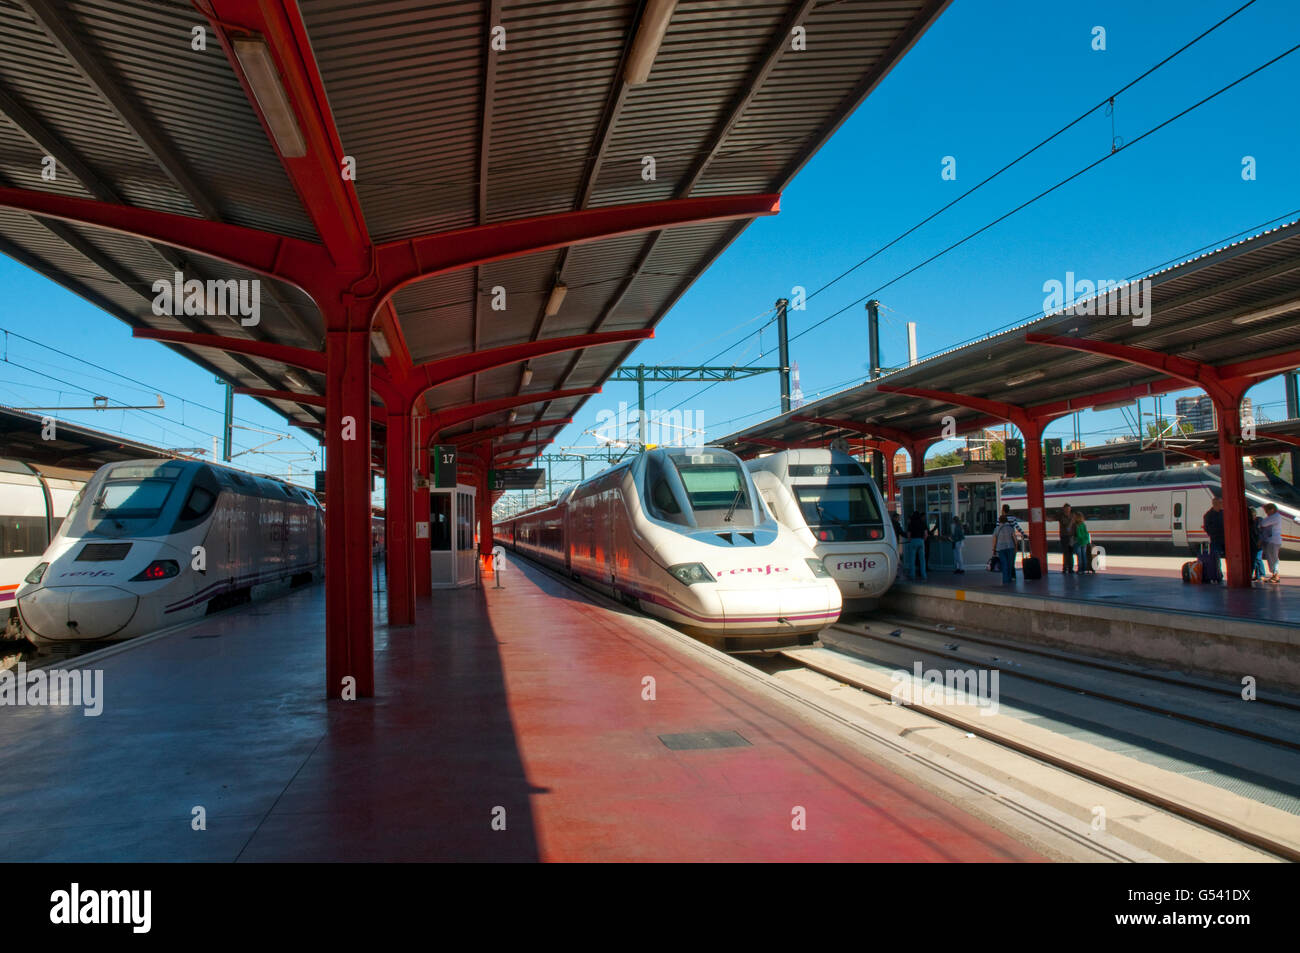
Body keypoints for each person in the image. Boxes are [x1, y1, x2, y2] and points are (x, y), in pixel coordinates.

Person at [1202, 496, 1225, 582]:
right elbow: (1207, 528)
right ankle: (1218, 575)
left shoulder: (1224, 513)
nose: (1222, 505)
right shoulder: (1208, 515)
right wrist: (1214, 533)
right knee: (1216, 558)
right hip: (1216, 539)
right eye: (1221, 503)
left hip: (1226, 539)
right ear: (1215, 504)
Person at [1260, 503, 1283, 584]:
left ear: (1272, 510)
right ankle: (1274, 574)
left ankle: (1275, 575)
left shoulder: (1275, 517)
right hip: (1273, 541)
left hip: (1273, 541)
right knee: (1273, 558)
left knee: (1272, 558)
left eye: (1267, 511)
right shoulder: (1275, 516)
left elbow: (1263, 523)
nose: (1266, 513)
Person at [992, 514, 1018, 584]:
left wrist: (993, 549)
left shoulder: (996, 529)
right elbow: (1015, 539)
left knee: (1004, 564)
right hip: (1010, 548)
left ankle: (1005, 580)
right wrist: (1016, 547)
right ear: (1006, 520)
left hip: (1001, 548)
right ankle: (1009, 579)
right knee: (1010, 564)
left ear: (999, 521)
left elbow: (994, 540)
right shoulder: (1010, 528)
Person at [906, 510, 928, 581]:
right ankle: (924, 575)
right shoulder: (922, 523)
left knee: (912, 559)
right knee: (922, 560)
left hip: (913, 541)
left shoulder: (911, 523)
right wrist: (923, 540)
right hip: (921, 541)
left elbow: (908, 534)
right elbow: (926, 534)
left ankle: (912, 575)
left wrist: (909, 540)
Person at [1248, 507, 1266, 581]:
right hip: (1252, 543)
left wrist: (1260, 541)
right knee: (1253, 559)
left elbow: (1261, 532)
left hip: (1258, 542)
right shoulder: (1250, 522)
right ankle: (1255, 575)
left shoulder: (1259, 521)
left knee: (1257, 558)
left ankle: (1261, 574)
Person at [1057, 503, 1075, 574]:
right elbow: (1067, 526)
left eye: (1069, 509)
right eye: (1066, 509)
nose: (1068, 511)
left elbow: (1075, 526)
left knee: (1070, 552)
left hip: (1071, 537)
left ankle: (1070, 568)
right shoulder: (1062, 517)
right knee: (1065, 552)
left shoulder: (1072, 515)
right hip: (1064, 536)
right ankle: (1065, 568)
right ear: (1063, 509)